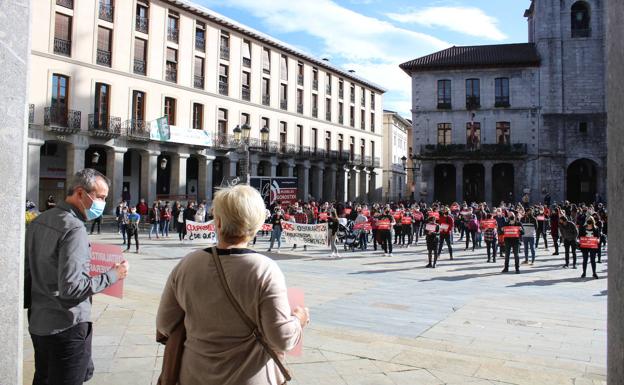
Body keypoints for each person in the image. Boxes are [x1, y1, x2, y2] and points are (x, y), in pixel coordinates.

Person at [156, 184, 309, 385]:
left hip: (194, 375)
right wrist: (299, 319)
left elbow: (165, 324)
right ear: (257, 224)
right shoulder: (265, 270)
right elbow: (281, 338)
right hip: (248, 378)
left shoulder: (187, 264)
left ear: (217, 222)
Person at [25, 169, 129, 385]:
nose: (102, 203)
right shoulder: (73, 229)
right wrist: (113, 275)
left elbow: (28, 273)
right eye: (100, 197)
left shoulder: (39, 220)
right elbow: (72, 289)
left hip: (39, 323)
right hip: (66, 326)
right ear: (80, 193)